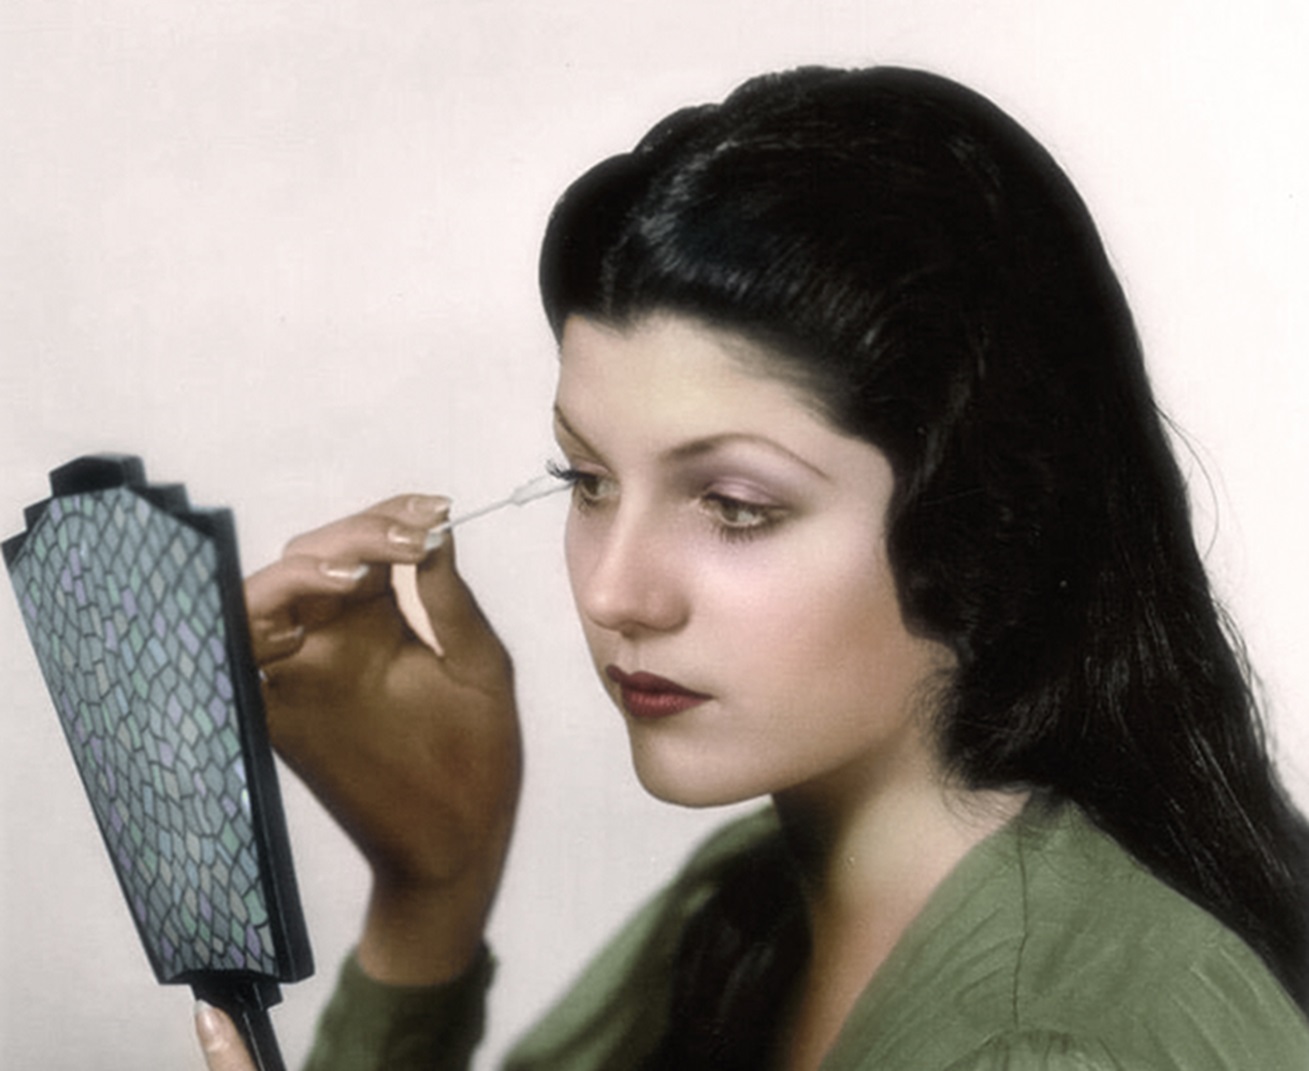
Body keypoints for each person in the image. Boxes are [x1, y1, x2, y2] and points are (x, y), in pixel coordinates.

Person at [194, 67, 1309, 1070]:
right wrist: (431, 885)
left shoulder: (1057, 1045)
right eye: (584, 480)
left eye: (734, 507)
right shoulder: (748, 900)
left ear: (988, 521)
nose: (611, 592)